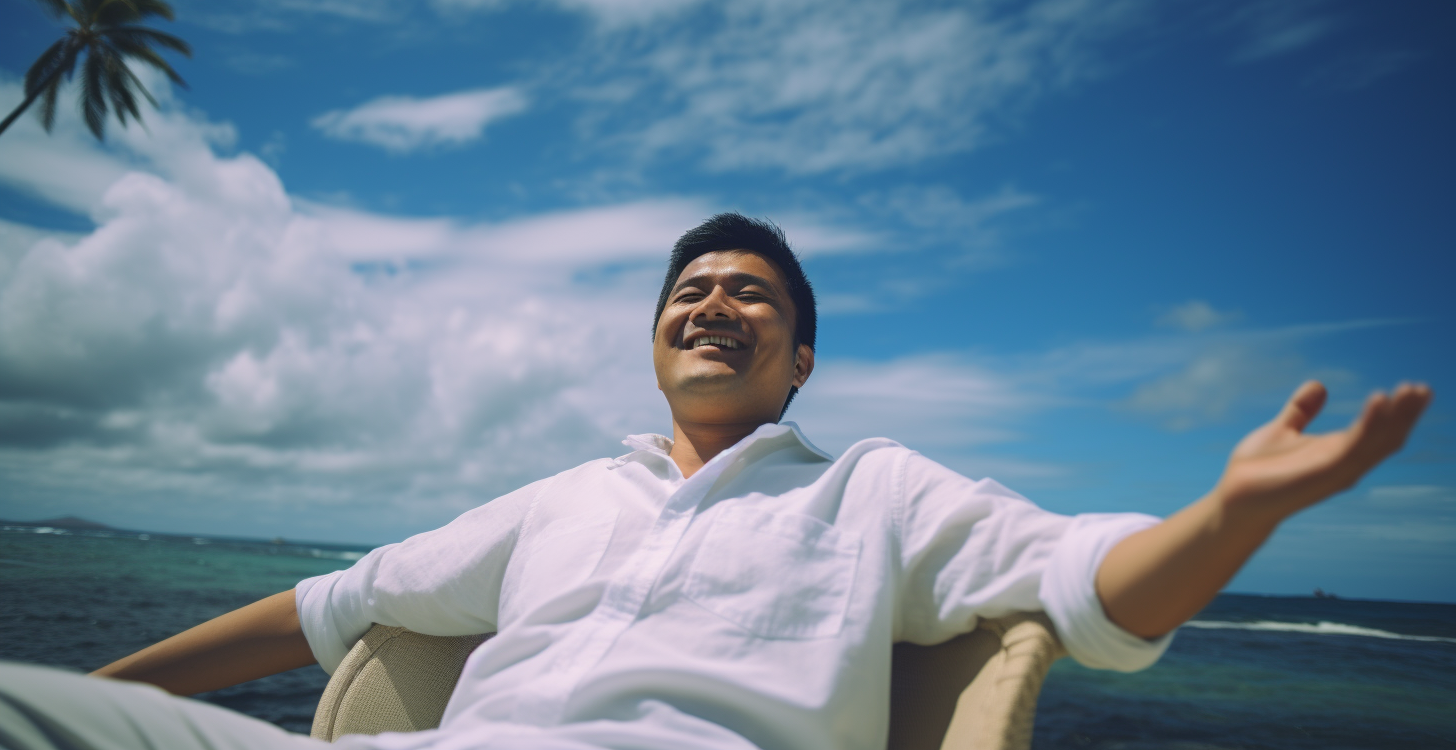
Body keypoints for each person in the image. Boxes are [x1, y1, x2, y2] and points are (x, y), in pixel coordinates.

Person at [0, 214, 1432, 750]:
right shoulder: (557, 499)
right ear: (655, 335)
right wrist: (117, 691)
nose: (714, 305)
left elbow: (1084, 585)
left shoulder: (874, 490)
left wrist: (1236, 515)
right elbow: (323, 610)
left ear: (799, 357)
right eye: (691, 289)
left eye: (752, 295)